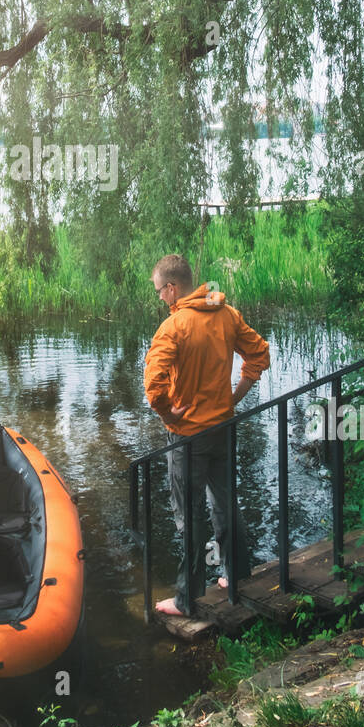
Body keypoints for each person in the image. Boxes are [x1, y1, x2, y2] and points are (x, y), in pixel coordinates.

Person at [143, 254, 270, 616]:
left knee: (189, 515)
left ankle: (187, 598)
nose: (159, 298)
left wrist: (168, 411)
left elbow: (153, 385)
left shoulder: (174, 327)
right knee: (225, 503)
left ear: (172, 288)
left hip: (188, 437)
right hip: (224, 429)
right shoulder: (226, 314)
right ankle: (235, 575)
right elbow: (259, 353)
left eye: (159, 291)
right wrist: (235, 397)